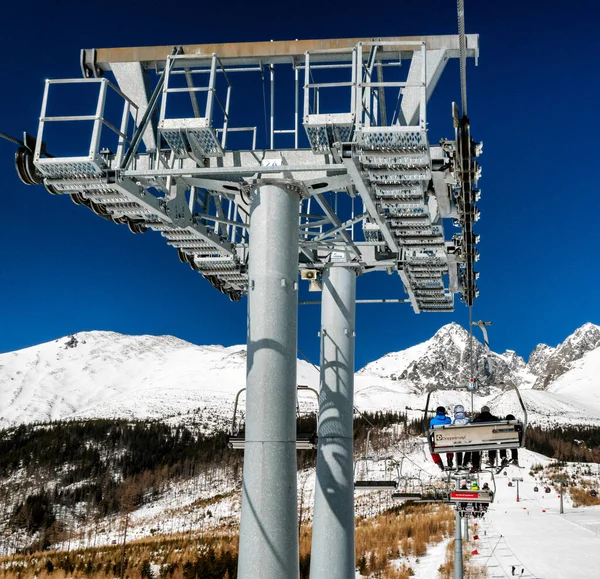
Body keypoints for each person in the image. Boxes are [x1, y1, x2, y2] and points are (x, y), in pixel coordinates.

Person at [470, 405, 500, 471]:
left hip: (479, 440)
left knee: (475, 448)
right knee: (493, 442)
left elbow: (472, 429)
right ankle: (491, 457)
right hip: (490, 440)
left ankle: (475, 465)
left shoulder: (477, 419)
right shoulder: (494, 418)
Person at [429, 406, 454, 470]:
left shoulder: (432, 421)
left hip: (438, 444)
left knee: (431, 448)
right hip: (448, 443)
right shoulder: (448, 420)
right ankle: (449, 458)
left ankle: (439, 462)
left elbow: (431, 431)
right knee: (451, 442)